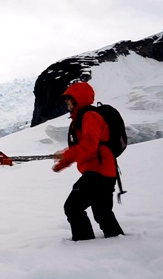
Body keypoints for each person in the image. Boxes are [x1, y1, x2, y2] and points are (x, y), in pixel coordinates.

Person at [52, 81, 124, 241]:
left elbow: (90, 145)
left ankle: (84, 244)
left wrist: (67, 156)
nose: (66, 102)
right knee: (102, 213)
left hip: (98, 172)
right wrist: (63, 162)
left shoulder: (90, 116)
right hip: (104, 172)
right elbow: (82, 148)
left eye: (68, 98)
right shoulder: (80, 118)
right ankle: (118, 242)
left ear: (77, 99)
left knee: (72, 207)